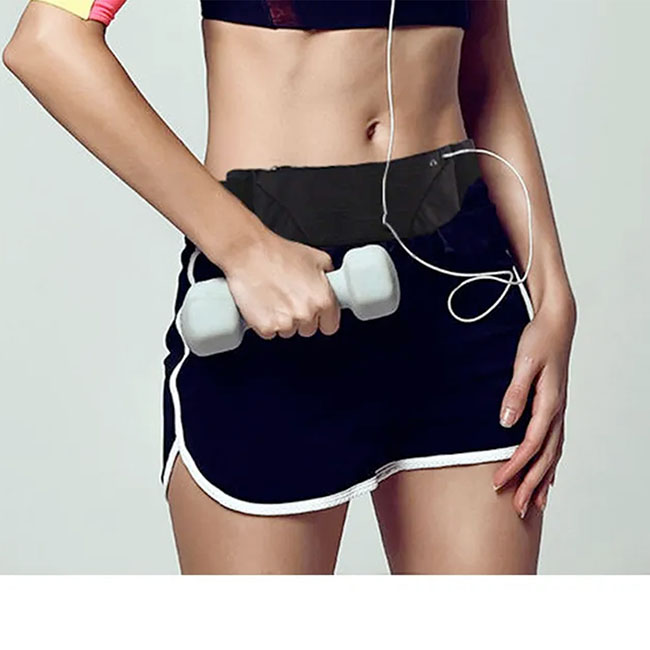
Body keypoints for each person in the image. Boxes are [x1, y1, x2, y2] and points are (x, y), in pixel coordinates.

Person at [3, 0, 577, 574]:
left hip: (461, 291)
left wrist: (553, 299)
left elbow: (486, 71)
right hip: (271, 297)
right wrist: (243, 247)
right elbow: (48, 40)